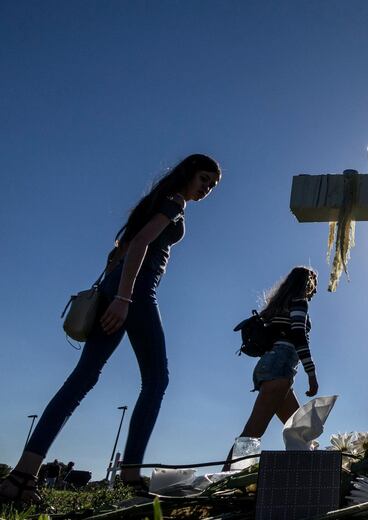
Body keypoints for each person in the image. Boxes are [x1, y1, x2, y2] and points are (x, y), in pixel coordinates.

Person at [0, 154, 221, 503]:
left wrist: (111, 291)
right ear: (189, 173)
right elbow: (139, 245)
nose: (207, 187)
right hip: (136, 291)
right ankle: (131, 477)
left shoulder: (155, 200)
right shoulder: (174, 202)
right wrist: (124, 297)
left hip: (117, 288)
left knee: (84, 377)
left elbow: (116, 252)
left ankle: (21, 477)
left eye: (213, 184)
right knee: (156, 379)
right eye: (204, 178)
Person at [223, 267, 319, 470]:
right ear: (307, 283)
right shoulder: (299, 302)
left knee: (301, 433)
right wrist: (311, 373)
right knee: (252, 433)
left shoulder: (277, 305)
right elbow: (298, 335)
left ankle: (307, 479)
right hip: (280, 368)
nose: (315, 290)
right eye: (314, 284)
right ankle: (223, 482)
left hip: (272, 367)